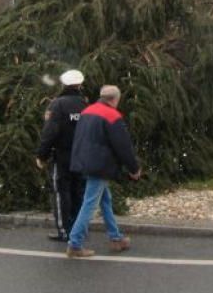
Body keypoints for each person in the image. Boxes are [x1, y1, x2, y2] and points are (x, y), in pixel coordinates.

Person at [66, 84, 141, 258]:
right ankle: (74, 244)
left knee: (105, 200)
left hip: (84, 162)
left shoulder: (87, 111)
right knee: (90, 203)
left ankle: (116, 238)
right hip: (99, 166)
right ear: (115, 99)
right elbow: (123, 146)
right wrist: (134, 168)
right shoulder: (112, 116)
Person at [34, 69, 88, 242]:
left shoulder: (58, 104)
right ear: (80, 85)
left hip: (63, 156)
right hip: (82, 156)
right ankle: (78, 229)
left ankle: (64, 231)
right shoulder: (86, 104)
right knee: (78, 192)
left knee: (61, 192)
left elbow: (50, 132)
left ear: (64, 84)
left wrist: (42, 155)